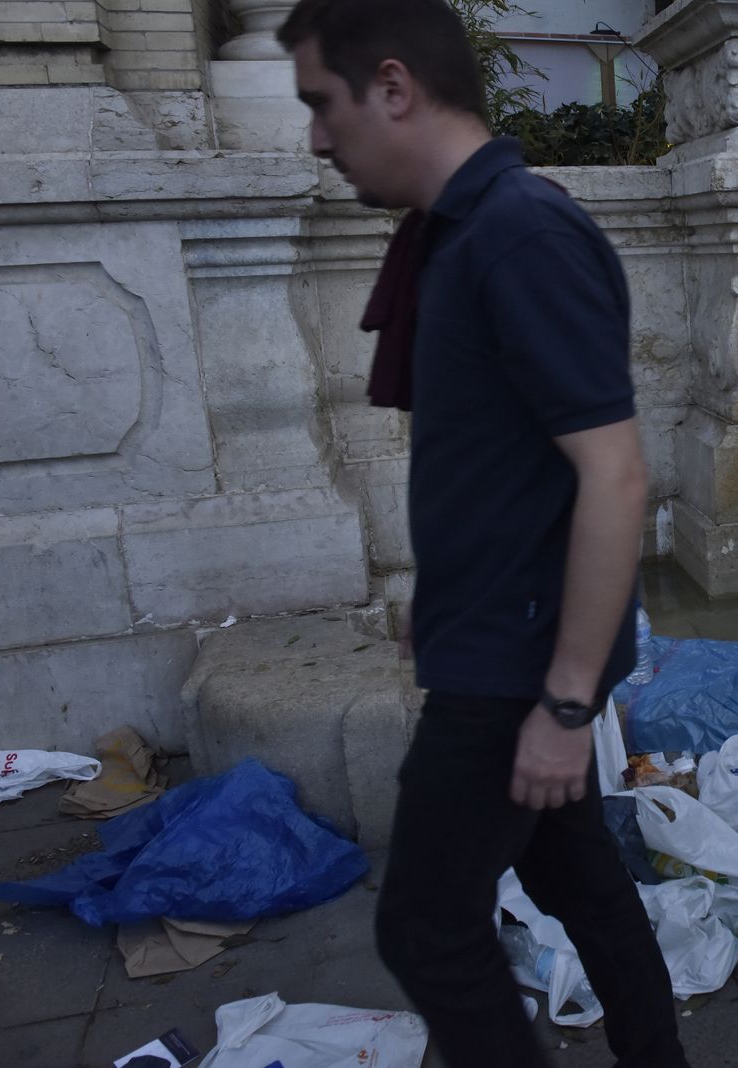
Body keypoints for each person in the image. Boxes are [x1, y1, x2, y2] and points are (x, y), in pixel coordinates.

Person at [277, 2, 690, 1066]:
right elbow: (502, 464)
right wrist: (443, 587)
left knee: (424, 926)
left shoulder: (519, 234)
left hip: (517, 670)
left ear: (395, 86)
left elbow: (615, 472)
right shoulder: (460, 236)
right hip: (496, 635)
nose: (318, 137)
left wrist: (561, 700)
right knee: (581, 883)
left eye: (324, 103)